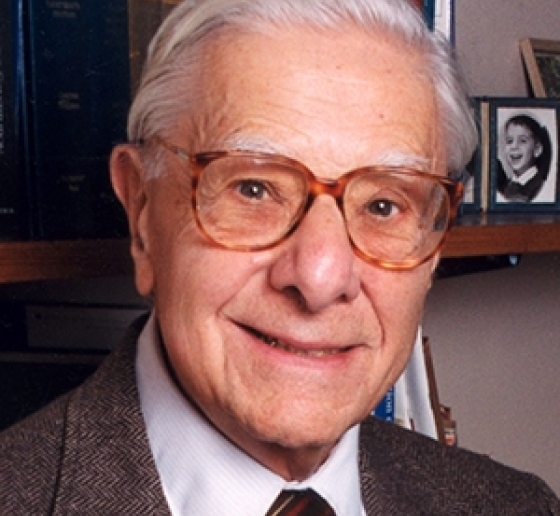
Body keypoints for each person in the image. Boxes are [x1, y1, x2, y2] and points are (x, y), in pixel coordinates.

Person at [1, 0, 559, 514]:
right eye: (253, 190)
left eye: (384, 204)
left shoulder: (516, 505)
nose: (319, 277)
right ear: (142, 212)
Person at [497, 113, 553, 203]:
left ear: (537, 149)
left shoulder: (539, 185)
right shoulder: (506, 186)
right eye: (509, 141)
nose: (514, 146)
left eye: (522, 141)